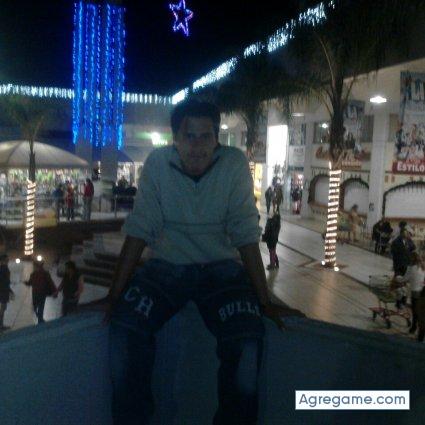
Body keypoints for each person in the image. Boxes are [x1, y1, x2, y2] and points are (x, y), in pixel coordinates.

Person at [103, 100, 304, 425]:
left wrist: (264, 299)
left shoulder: (233, 164)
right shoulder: (158, 164)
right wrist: (113, 296)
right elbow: (140, 227)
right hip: (166, 265)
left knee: (247, 339)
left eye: (205, 136)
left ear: (216, 139)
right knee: (125, 327)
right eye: (189, 136)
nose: (197, 146)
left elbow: (244, 231)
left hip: (222, 268)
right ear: (175, 139)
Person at [394, 252, 425, 333]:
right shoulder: (423, 267)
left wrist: (397, 278)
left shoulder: (411, 268)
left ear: (411, 259)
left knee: (415, 311)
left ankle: (414, 328)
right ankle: (420, 330)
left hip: (415, 292)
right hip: (422, 291)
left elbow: (404, 279)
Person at [26, 260, 57, 324]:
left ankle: (39, 318)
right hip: (41, 292)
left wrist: (26, 283)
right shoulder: (44, 273)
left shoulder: (35, 274)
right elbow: (51, 282)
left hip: (36, 293)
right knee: (40, 306)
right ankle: (40, 318)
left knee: (36, 306)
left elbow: (30, 283)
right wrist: (54, 291)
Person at [0, 254, 14, 330]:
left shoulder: (2, 268)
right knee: (3, 308)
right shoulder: (4, 268)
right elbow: (4, 281)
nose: (8, 261)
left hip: (3, 290)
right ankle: (1, 325)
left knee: (3, 308)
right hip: (3, 291)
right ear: (3, 260)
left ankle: (1, 325)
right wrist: (9, 290)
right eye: (6, 260)